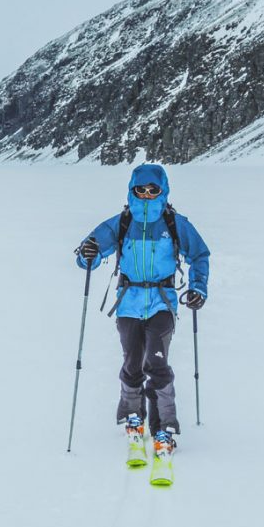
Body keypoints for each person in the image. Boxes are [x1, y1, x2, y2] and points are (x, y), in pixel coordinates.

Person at [75, 164, 209, 461]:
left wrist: (199, 288)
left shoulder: (175, 224)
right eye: (141, 190)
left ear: (163, 191)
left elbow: (199, 254)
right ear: (132, 190)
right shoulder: (121, 223)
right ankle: (132, 414)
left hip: (162, 302)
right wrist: (88, 255)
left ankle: (164, 426)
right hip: (128, 302)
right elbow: (88, 253)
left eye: (153, 190)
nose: (147, 195)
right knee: (132, 361)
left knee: (156, 363)